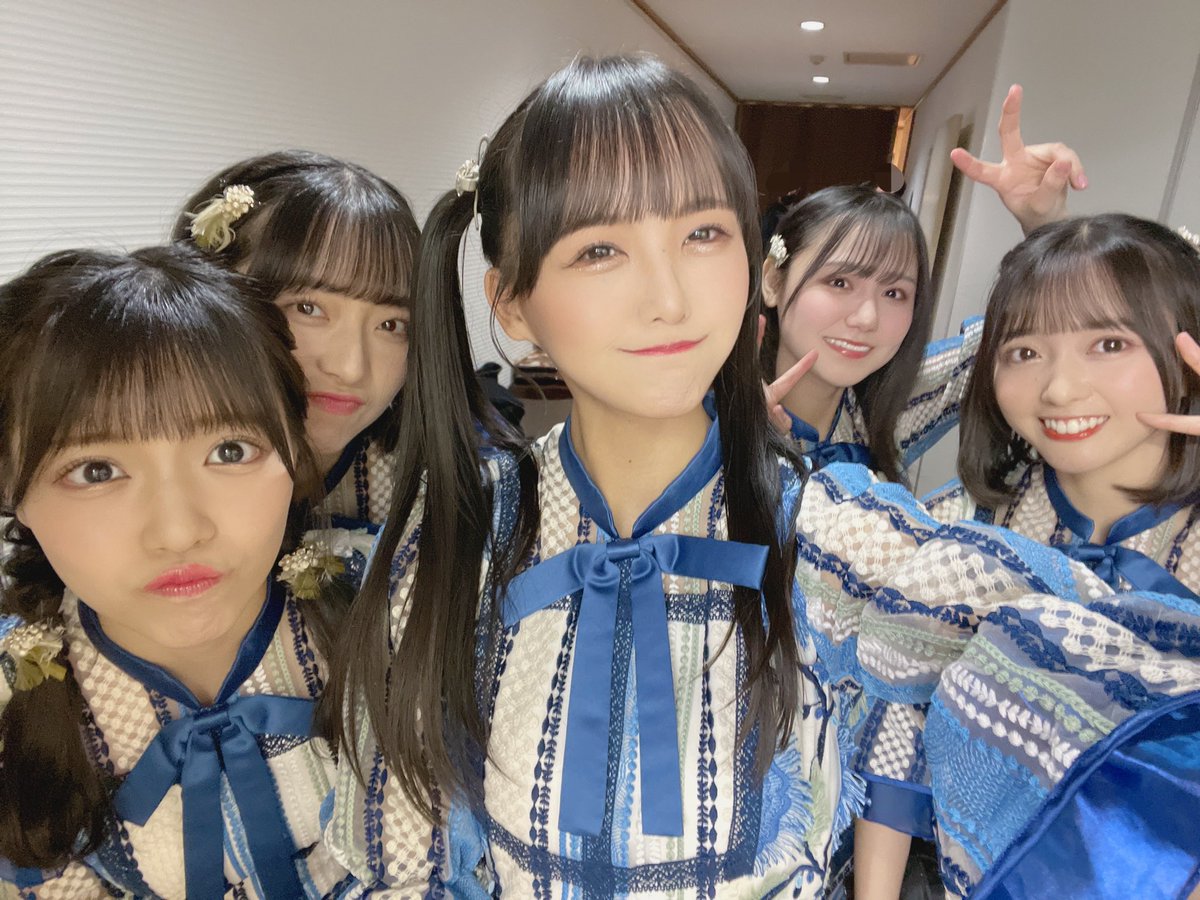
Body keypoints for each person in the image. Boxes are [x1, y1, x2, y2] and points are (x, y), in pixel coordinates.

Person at [315, 55, 1185, 896]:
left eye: (703, 234)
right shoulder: (457, 539)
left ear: (749, 264)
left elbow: (1117, 688)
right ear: (510, 300)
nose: (670, 298)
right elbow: (400, 856)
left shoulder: (830, 533)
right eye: (599, 250)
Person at [841, 215, 1200, 898]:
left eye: (1109, 344)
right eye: (1025, 351)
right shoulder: (967, 528)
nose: (1059, 389)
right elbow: (895, 724)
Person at [0, 246, 358, 898]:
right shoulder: (12, 703)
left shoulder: (382, 608)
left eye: (230, 450)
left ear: (295, 450)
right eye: (97, 471)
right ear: (11, 488)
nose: (178, 531)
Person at [761, 85, 1087, 483]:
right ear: (773, 281)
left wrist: (1046, 226)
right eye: (840, 282)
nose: (867, 317)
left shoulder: (893, 410)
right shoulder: (705, 409)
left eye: (894, 293)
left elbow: (1027, 339)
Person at [173, 150, 420, 531]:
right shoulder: (119, 462)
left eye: (391, 325)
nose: (350, 369)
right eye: (308, 308)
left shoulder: (432, 493)